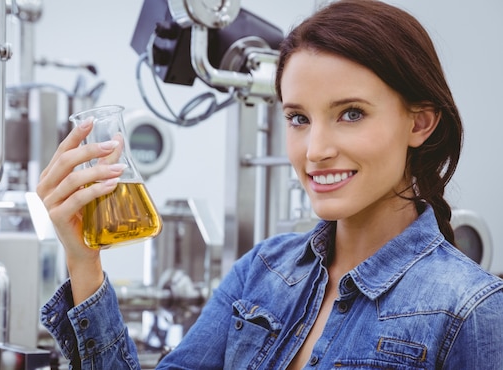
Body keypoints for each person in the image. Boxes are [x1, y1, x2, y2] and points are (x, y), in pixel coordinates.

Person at [36, 0, 503, 368]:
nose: (315, 149)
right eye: (298, 118)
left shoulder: (470, 310)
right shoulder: (262, 271)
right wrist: (84, 260)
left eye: (351, 113)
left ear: (419, 123)